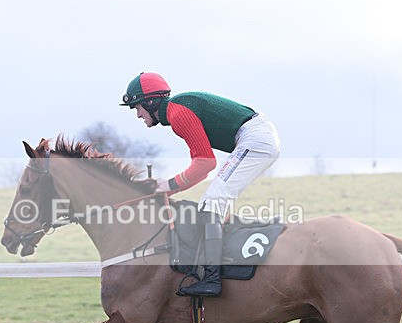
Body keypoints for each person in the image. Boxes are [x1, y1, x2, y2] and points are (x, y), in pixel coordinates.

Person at [120, 72, 281, 297]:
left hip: (255, 139)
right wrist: (170, 186)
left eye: (137, 107)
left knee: (212, 201)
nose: (138, 114)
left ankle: (212, 279)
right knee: (216, 200)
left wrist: (168, 185)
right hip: (256, 136)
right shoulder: (176, 110)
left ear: (150, 102)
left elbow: (205, 164)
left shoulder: (177, 114)